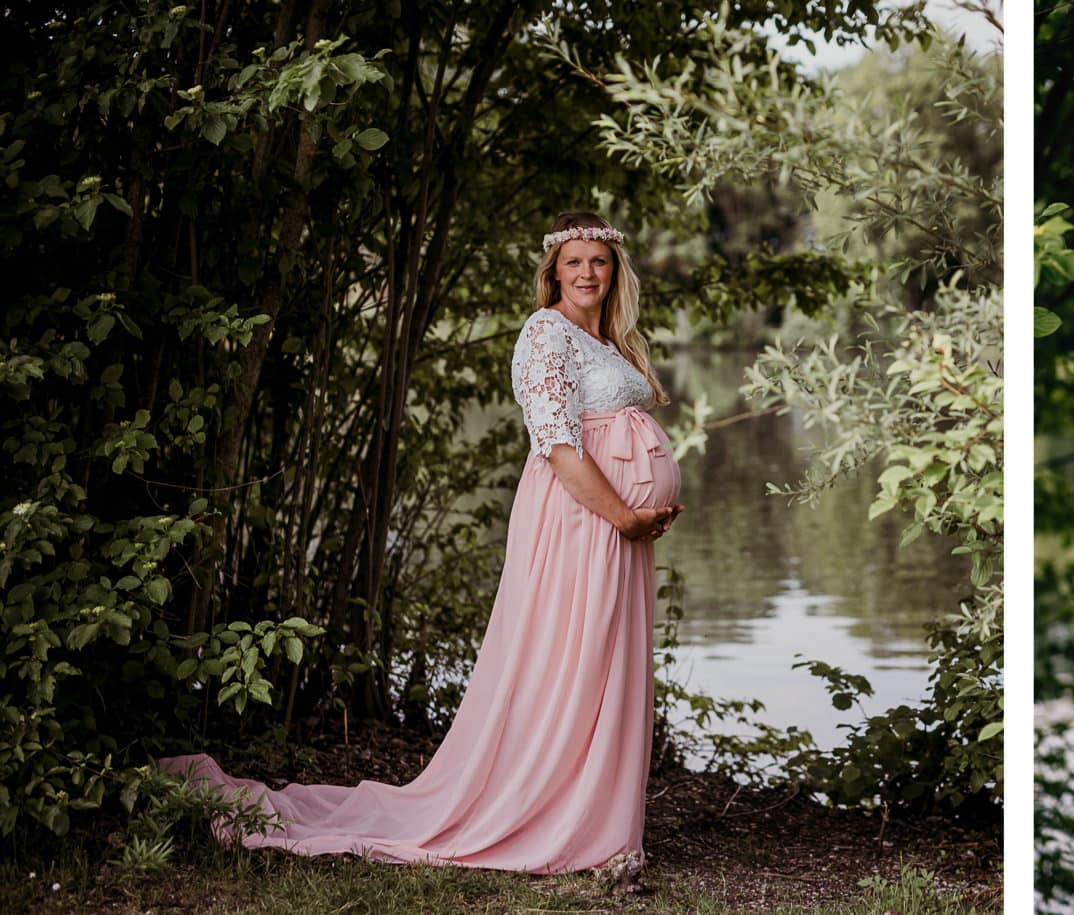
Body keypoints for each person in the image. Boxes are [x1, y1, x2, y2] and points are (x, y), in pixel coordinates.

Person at [161, 212, 683, 883]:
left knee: (607, 664)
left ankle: (600, 817)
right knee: (569, 662)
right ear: (553, 271)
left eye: (599, 262)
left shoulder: (606, 339)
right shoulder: (544, 332)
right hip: (581, 523)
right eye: (574, 262)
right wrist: (623, 514)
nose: (587, 273)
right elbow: (555, 444)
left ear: (616, 270)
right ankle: (556, 814)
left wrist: (645, 507)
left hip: (618, 530)